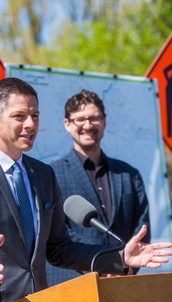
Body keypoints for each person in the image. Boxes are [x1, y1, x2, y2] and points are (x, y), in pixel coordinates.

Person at [0, 77, 172, 302]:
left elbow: (58, 249)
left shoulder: (42, 174)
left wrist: (119, 258)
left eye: (35, 115)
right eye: (19, 116)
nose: (30, 124)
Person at [45, 89, 151, 286]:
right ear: (67, 124)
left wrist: (124, 268)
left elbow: (141, 228)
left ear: (104, 122)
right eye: (80, 119)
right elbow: (57, 235)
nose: (88, 125)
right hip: (71, 287)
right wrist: (107, 266)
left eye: (94, 118)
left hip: (122, 285)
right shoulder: (50, 175)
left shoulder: (129, 174)